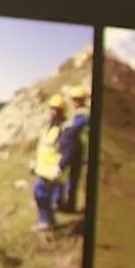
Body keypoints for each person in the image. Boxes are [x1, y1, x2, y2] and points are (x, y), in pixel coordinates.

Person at [31, 94, 69, 233]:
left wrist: (60, 167)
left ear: (61, 111)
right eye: (52, 109)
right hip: (44, 169)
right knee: (40, 194)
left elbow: (67, 151)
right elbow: (44, 149)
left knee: (40, 194)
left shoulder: (63, 129)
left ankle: (46, 222)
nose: (52, 112)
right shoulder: (50, 127)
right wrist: (35, 164)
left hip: (52, 171)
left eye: (56, 110)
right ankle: (50, 221)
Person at [57, 84, 91, 214]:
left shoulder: (83, 114)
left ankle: (66, 204)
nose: (75, 102)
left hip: (78, 149)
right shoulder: (79, 113)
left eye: (77, 99)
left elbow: (73, 130)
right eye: (74, 99)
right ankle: (69, 204)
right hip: (77, 149)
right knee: (72, 179)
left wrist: (65, 131)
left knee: (69, 178)